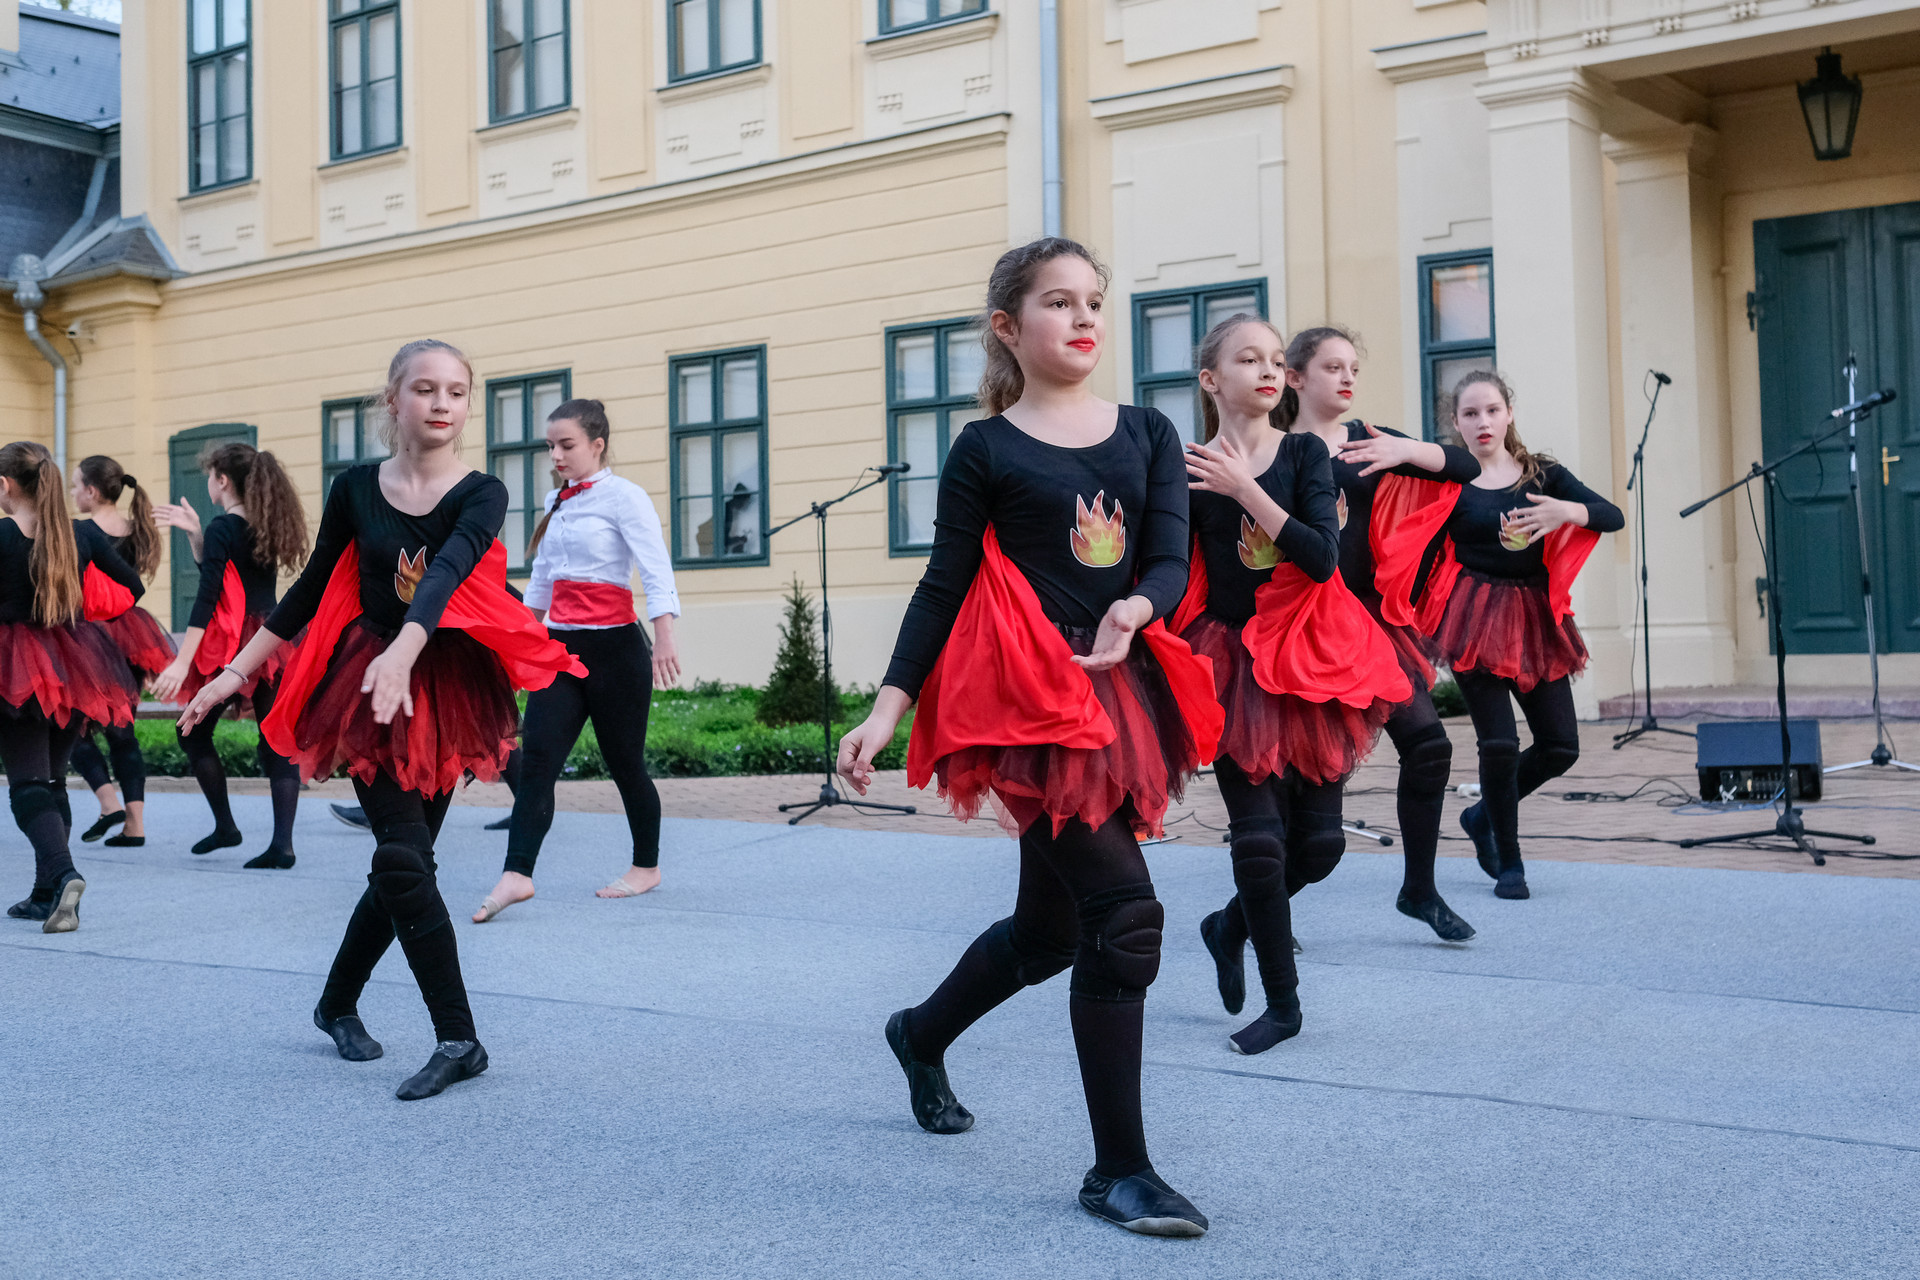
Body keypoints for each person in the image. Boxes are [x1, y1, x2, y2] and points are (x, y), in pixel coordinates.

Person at [837, 238, 1220, 1237]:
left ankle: (919, 1033)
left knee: (1051, 933)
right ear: (1009, 326)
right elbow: (943, 584)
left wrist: (1138, 605)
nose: (1083, 316)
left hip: (1115, 698)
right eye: (1059, 301)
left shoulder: (1148, 432)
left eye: (1094, 299)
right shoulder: (986, 448)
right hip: (1020, 709)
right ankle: (1119, 1170)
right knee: (1126, 916)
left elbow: (1170, 559)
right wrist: (887, 707)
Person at [180, 339, 581, 1101]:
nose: (441, 402)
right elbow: (306, 592)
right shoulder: (357, 488)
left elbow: (447, 571)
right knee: (404, 862)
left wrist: (406, 648)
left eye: (456, 391)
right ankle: (460, 1039)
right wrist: (232, 673)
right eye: (424, 388)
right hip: (366, 684)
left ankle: (335, 1003)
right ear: (392, 400)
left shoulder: (483, 492)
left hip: (443, 683)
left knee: (405, 864)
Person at [1176, 318, 1410, 1054]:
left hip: (1313, 656)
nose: (1269, 370)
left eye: (1276, 360)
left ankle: (1227, 926)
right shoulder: (1185, 468)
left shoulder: (1305, 452)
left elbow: (1319, 557)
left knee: (1320, 848)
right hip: (1230, 662)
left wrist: (1246, 490)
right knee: (1260, 843)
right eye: (1249, 359)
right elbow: (1170, 566)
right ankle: (1284, 1006)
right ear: (1212, 379)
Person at [1260, 329, 1484, 942]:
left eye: (1353, 368)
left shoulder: (1370, 440)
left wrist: (1405, 450)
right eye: (1333, 367)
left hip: (1372, 619)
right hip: (1307, 622)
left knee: (1429, 747)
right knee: (1306, 788)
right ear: (1296, 377)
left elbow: (1466, 467)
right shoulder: (1274, 447)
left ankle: (1419, 890)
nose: (1347, 378)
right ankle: (1261, 910)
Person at [1398, 370, 1622, 900]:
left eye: (1492, 410)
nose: (1483, 422)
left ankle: (1481, 816)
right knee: (1498, 744)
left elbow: (1610, 515)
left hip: (1535, 619)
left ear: (1509, 414)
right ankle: (1510, 860)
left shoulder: (1542, 474)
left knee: (1560, 746)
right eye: (1470, 413)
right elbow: (1418, 549)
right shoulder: (1450, 480)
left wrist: (1567, 510)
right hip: (1470, 617)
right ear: (1456, 423)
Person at [474, 399, 680, 923]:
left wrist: (665, 638)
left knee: (625, 764)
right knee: (538, 761)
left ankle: (646, 866)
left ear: (597, 444)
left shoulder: (625, 497)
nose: (556, 456)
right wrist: (519, 644)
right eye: (551, 446)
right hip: (560, 651)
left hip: (616, 652)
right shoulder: (557, 500)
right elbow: (541, 583)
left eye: (566, 445)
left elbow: (655, 570)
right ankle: (516, 874)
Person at [0, 441, 142, 931]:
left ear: (5, 485)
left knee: (27, 785)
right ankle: (46, 894)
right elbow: (133, 588)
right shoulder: (79, 534)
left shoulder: (3, 535)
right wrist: (82, 611)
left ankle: (63, 874)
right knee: (53, 781)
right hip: (74, 665)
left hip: (16, 672)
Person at [151, 444, 309, 868]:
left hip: (237, 643)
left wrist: (182, 660)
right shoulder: (266, 524)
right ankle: (282, 846)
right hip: (273, 638)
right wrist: (196, 536)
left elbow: (209, 595)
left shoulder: (224, 526)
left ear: (221, 480)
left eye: (210, 475)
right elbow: (227, 573)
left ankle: (226, 826)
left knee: (192, 733)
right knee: (275, 739)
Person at [68, 455, 176, 847]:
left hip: (87, 634)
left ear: (92, 491)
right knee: (122, 732)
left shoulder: (77, 531)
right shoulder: (135, 528)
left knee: (70, 727)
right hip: (130, 633)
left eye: (76, 486)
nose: (73, 493)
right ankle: (135, 825)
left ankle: (108, 802)